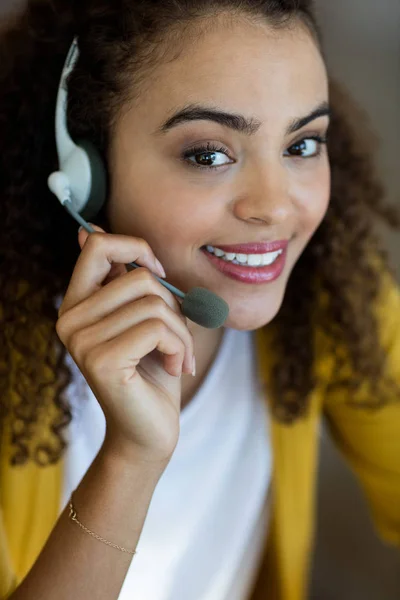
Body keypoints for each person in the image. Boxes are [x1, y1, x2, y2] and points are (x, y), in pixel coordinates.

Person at [0, 0, 399, 599]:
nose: (275, 206)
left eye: (302, 145)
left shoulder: (332, 291)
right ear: (85, 166)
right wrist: (130, 459)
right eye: (209, 154)